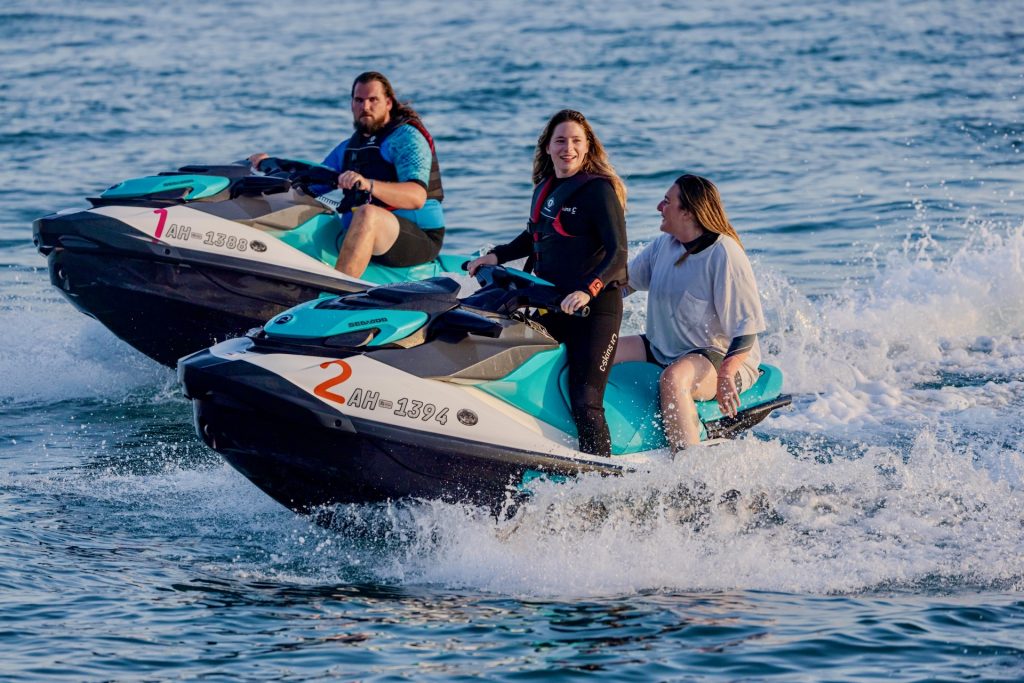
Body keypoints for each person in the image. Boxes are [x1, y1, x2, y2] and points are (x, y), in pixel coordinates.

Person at [467, 110, 628, 457]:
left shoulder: (599, 190)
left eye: (576, 141)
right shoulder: (546, 187)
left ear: (588, 147)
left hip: (595, 310)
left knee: (585, 399)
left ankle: (603, 476)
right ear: (548, 147)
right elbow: (532, 237)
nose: (568, 148)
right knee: (507, 357)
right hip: (554, 304)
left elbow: (618, 253)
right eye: (561, 141)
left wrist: (588, 290)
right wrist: (494, 256)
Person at [614, 174, 766, 451]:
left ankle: (688, 467)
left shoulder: (724, 253)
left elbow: (747, 330)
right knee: (599, 352)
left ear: (688, 212)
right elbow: (621, 286)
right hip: (664, 348)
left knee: (674, 379)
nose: (659, 207)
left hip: (720, 357)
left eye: (667, 202)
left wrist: (726, 375)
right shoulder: (665, 245)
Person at [250, 72, 444, 278]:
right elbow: (311, 181)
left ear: (388, 103)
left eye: (373, 99)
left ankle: (338, 291)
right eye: (359, 100)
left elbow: (416, 197)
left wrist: (368, 184)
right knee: (305, 208)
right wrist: (266, 167)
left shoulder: (406, 138)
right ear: (352, 104)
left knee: (367, 213)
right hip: (361, 233)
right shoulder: (349, 148)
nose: (365, 106)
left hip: (418, 236)